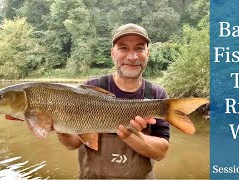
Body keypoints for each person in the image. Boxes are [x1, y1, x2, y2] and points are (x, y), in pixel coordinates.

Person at [57, 23, 171, 179]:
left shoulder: (157, 94)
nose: (132, 57)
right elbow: (72, 144)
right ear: (113, 53)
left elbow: (161, 152)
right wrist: (59, 124)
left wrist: (130, 135)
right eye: (123, 48)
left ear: (148, 53)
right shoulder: (91, 88)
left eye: (139, 48)